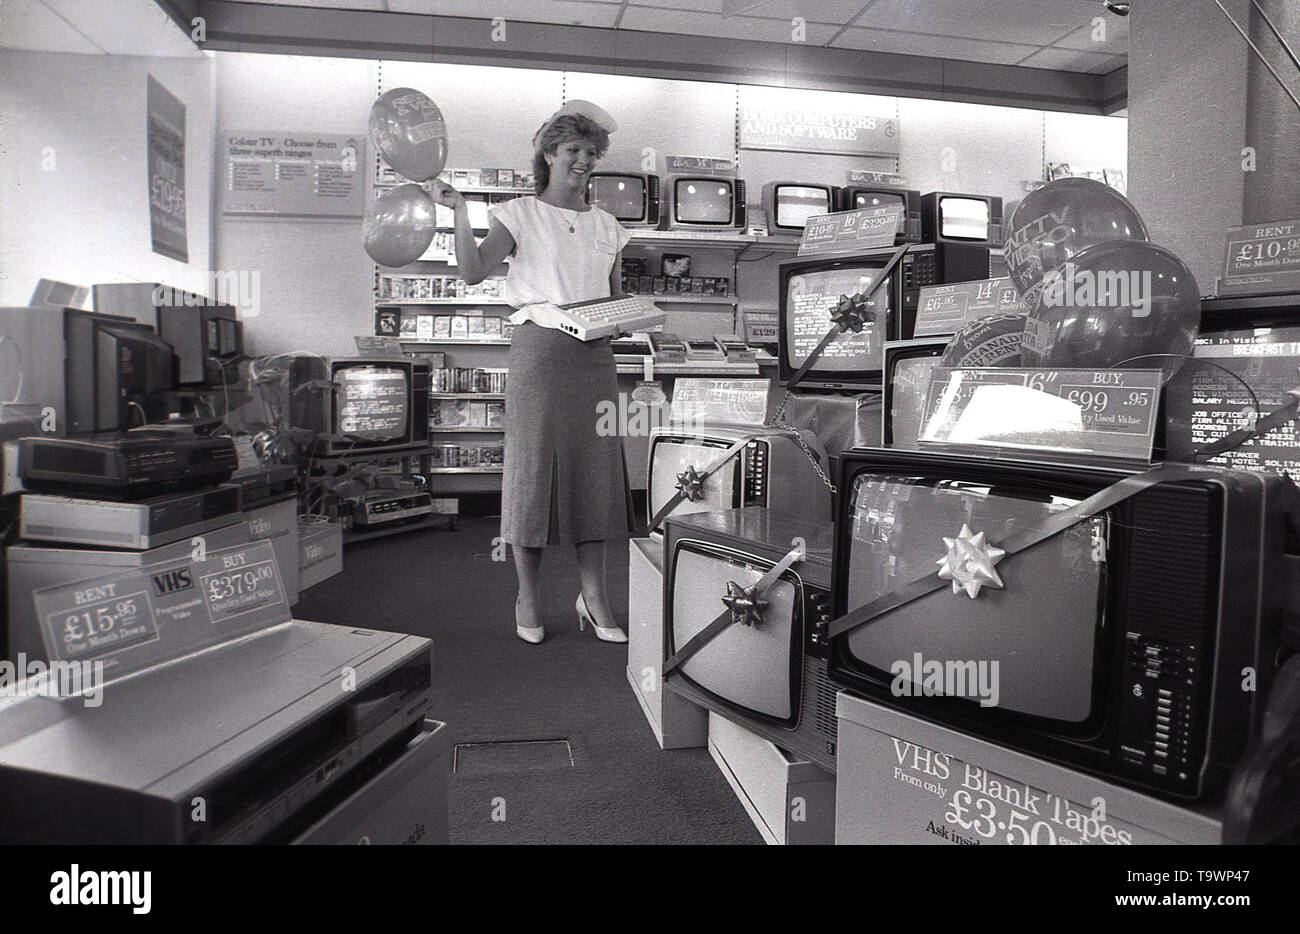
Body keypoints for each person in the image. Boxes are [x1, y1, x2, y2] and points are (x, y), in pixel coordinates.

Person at [431, 100, 633, 646]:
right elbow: (472, 274)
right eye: (574, 151)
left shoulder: (610, 226)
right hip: (540, 353)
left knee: (596, 471)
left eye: (592, 153)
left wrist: (631, 317)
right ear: (549, 154)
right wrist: (459, 212)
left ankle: (594, 598)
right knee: (532, 471)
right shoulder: (518, 214)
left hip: (594, 355)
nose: (585, 161)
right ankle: (527, 595)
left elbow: (614, 301)